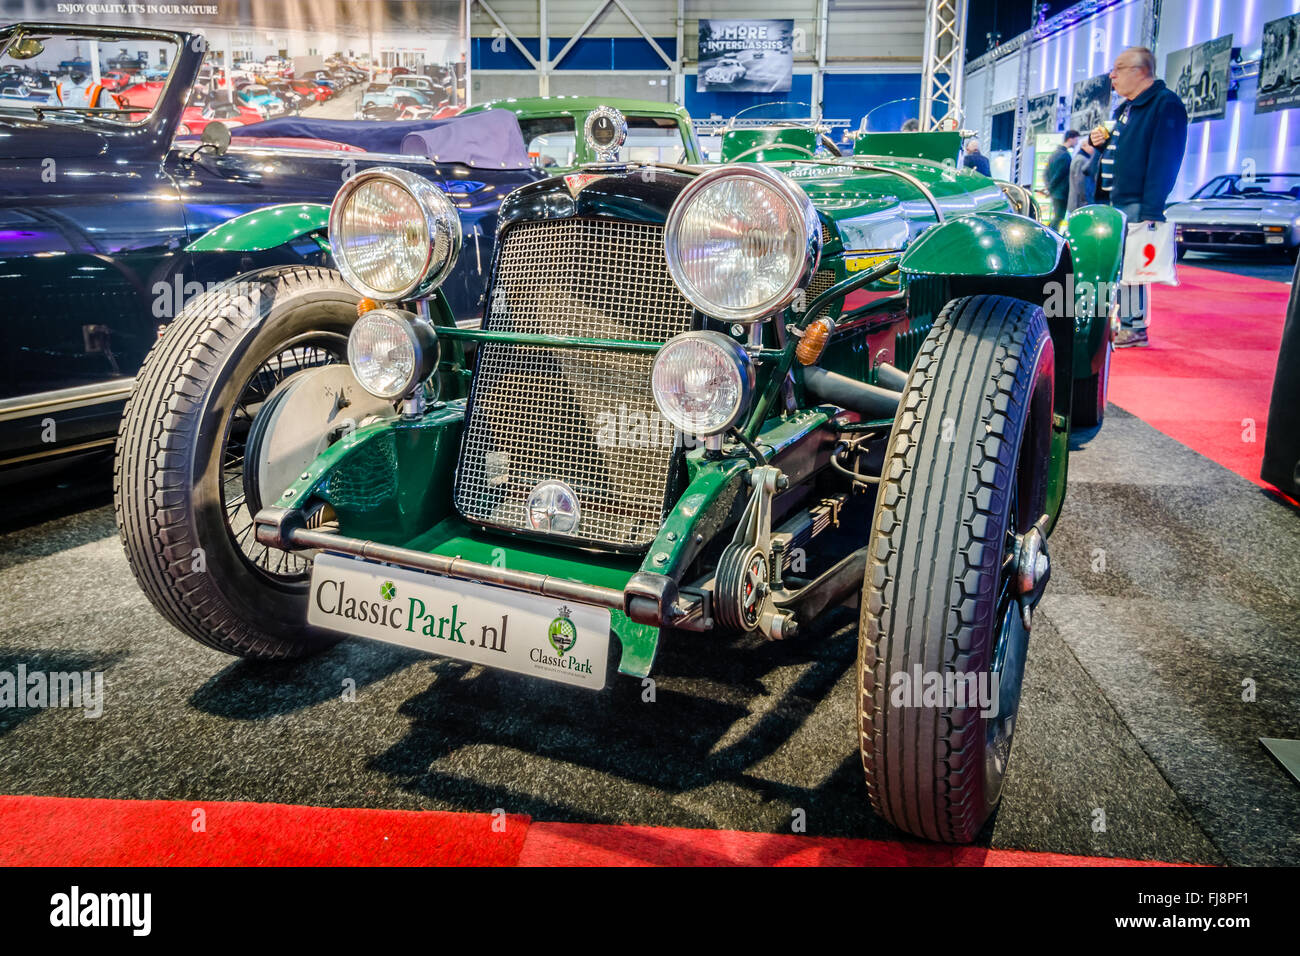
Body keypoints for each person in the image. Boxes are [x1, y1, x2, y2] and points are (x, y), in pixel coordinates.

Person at [1091, 46, 1189, 347]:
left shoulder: (1164, 105)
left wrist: (1152, 207)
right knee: (1119, 264)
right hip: (1116, 199)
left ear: (1140, 71)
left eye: (1119, 68)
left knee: (1134, 265)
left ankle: (1134, 327)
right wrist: (1100, 145)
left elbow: (1166, 159)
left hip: (1136, 201)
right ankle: (1124, 322)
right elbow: (1122, 153)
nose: (1112, 75)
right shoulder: (1127, 109)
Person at [1045, 129, 1079, 230]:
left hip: (1056, 192)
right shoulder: (1065, 155)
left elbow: (1046, 173)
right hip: (1061, 193)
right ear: (1071, 139)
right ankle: (1050, 236)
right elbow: (1059, 175)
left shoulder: (1055, 153)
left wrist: (1049, 188)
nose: (1077, 142)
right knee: (1058, 217)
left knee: (1057, 217)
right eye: (1076, 139)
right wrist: (1050, 188)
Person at [1067, 139, 1100, 212]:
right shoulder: (1082, 160)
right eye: (1092, 146)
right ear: (1084, 146)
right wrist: (1086, 201)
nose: (1093, 149)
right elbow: (1081, 183)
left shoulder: (1081, 158)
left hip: (1079, 202)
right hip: (1080, 204)